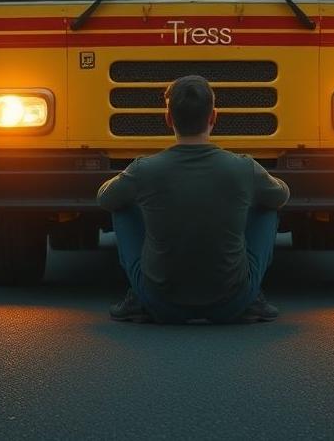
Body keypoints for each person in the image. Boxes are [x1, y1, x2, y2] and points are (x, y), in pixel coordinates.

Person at [97, 74, 290, 323]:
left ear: (168, 119)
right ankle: (253, 300)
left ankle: (137, 298)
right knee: (268, 209)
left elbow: (105, 198)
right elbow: (281, 195)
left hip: (160, 305)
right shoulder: (243, 167)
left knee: (121, 208)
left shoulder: (145, 169)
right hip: (231, 304)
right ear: (213, 117)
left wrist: (136, 186)